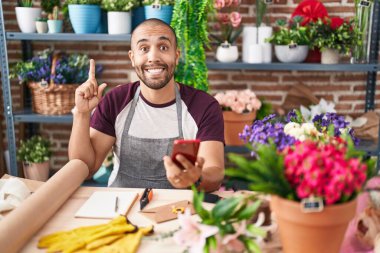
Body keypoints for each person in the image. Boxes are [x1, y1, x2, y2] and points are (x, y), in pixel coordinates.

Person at [68, 19, 224, 192]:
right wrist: (82, 114)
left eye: (163, 47)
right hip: (120, 207)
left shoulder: (203, 106)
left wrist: (196, 178)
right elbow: (86, 168)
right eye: (144, 49)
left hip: (176, 210)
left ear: (176, 56)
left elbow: (215, 171)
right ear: (132, 58)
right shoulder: (116, 100)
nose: (153, 57)